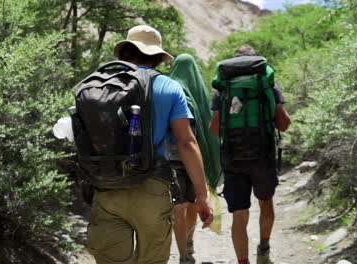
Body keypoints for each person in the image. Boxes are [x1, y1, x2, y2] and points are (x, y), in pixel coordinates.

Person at [86, 25, 213, 264]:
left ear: (125, 52)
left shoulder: (100, 85)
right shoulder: (169, 87)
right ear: (157, 56)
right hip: (151, 188)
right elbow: (186, 143)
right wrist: (201, 195)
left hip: (107, 187)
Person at [209, 45, 291, 264]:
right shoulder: (267, 85)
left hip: (234, 158)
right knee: (266, 202)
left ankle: (243, 262)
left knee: (239, 214)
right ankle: (263, 251)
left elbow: (215, 129)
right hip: (263, 155)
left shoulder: (223, 89)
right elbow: (283, 124)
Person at [167, 54, 222, 264]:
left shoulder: (170, 88)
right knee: (192, 202)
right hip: (191, 158)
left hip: (170, 158)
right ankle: (189, 243)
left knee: (178, 207)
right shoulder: (196, 94)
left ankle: (184, 253)